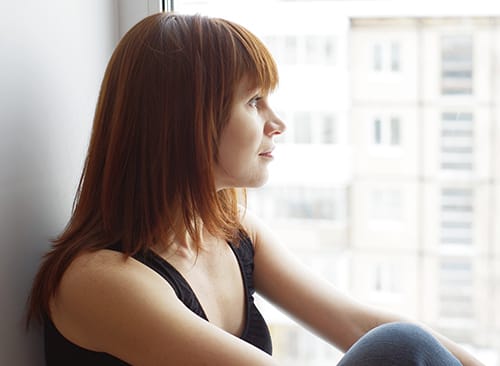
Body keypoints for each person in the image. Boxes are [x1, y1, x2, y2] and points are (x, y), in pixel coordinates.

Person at [26, 12, 484, 366]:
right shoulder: (98, 281)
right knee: (398, 345)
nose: (277, 123)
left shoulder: (230, 230)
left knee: (398, 341)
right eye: (253, 101)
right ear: (184, 122)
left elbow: (353, 322)